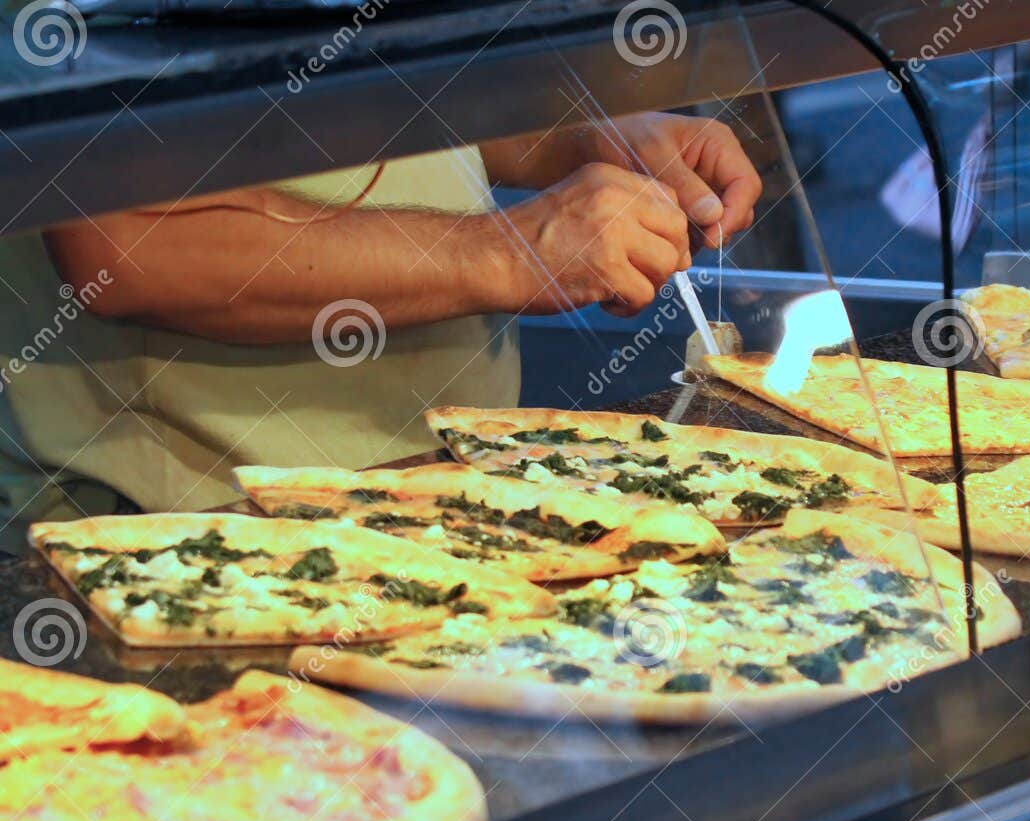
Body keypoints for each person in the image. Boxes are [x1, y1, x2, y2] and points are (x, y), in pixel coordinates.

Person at [0, 113, 761, 553]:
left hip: (454, 491)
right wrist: (505, 250)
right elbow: (129, 249)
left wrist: (580, 136)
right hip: (191, 533)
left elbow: (392, 97)